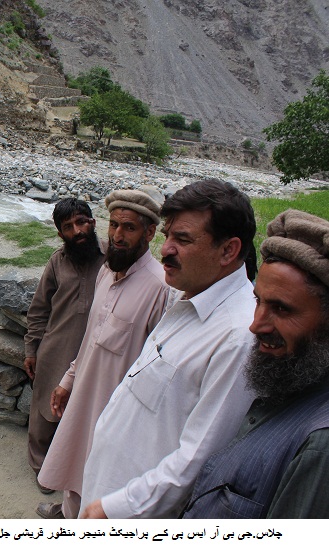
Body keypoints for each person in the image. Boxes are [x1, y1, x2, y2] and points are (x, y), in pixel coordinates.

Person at [79, 178, 258, 519]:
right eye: (167, 236)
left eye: (183, 240)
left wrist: (117, 508)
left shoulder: (237, 338)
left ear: (228, 251)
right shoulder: (187, 294)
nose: (165, 250)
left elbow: (197, 459)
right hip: (107, 489)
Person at [182, 209, 329, 518]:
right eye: (258, 301)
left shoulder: (319, 445)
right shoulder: (290, 382)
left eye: (282, 309)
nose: (255, 325)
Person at [35, 188, 171, 519]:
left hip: (116, 410)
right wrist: (68, 380)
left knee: (100, 476)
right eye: (113, 225)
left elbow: (155, 367)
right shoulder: (106, 272)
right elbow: (90, 340)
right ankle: (67, 514)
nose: (117, 236)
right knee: (73, 462)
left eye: (129, 228)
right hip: (83, 396)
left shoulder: (160, 288)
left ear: (150, 233)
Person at [24, 198, 105, 492]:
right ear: (60, 233)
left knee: (86, 412)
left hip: (96, 350)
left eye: (81, 222)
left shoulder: (112, 258)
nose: (77, 231)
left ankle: (78, 469)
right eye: (68, 227)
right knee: (46, 411)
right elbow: (39, 309)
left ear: (92, 222)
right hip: (57, 348)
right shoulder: (57, 262)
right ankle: (41, 467)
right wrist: (31, 349)